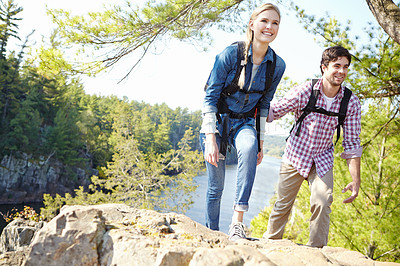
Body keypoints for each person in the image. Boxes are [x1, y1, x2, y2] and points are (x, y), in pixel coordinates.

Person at [200, 3, 286, 241]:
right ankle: (211, 232)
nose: (269, 27)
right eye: (264, 21)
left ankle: (237, 224)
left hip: (245, 123)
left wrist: (259, 143)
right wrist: (210, 140)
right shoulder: (230, 54)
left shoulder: (277, 66)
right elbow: (210, 96)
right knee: (216, 187)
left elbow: (264, 104)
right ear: (252, 24)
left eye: (275, 23)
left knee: (247, 147)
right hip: (217, 122)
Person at [263, 45, 362, 247]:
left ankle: (316, 252)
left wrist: (355, 179)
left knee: (323, 201)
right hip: (295, 154)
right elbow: (276, 111)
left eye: (345, 67)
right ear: (324, 67)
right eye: (336, 66)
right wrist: (252, 106)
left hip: (322, 159)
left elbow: (352, 144)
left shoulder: (350, 102)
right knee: (283, 204)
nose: (341, 71)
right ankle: (270, 244)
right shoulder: (306, 91)